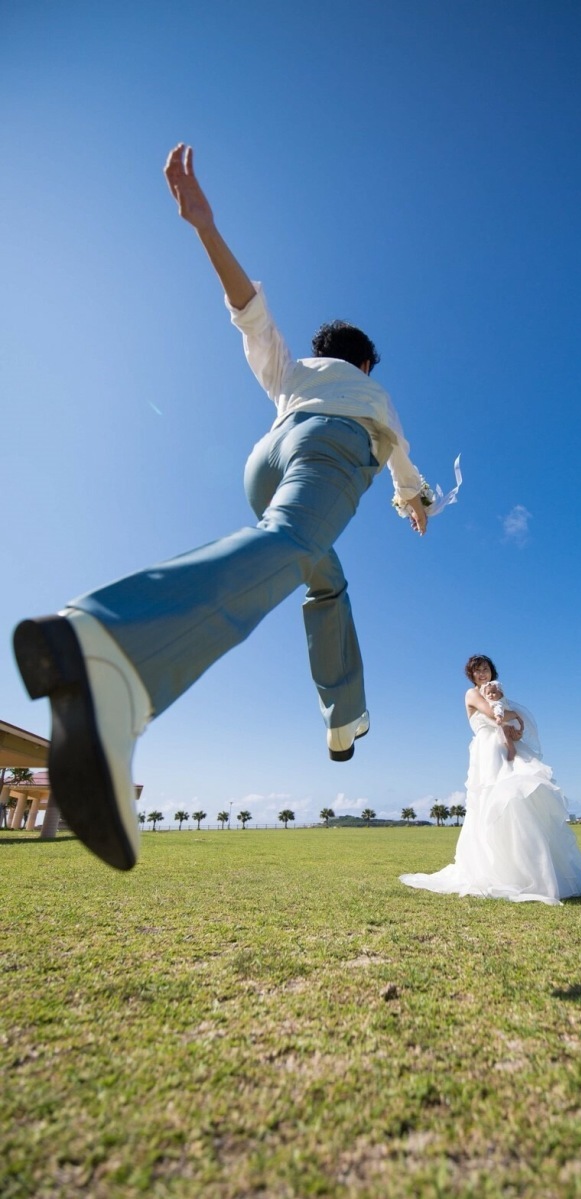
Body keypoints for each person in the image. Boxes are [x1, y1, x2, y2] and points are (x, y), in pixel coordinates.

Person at [12, 143, 428, 873]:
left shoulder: (296, 367)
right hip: (329, 454)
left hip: (267, 461)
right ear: (365, 363)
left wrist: (204, 225)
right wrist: (414, 500)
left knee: (321, 572)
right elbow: (403, 467)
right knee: (301, 544)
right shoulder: (374, 394)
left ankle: (343, 718)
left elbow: (251, 313)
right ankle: (111, 649)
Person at [400, 655, 581, 905]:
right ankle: (495, 870)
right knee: (493, 800)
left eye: (485, 669)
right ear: (471, 675)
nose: (482, 674)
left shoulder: (497, 693)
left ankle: (533, 872)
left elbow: (506, 721)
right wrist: (516, 716)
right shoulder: (472, 694)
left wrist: (515, 727)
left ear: (492, 671)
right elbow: (491, 713)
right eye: (477, 671)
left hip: (507, 746)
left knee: (522, 798)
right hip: (488, 750)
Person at [479, 678, 520, 761]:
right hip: (507, 722)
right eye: (488, 693)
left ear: (500, 694)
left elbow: (499, 710)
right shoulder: (491, 703)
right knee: (504, 736)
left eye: (493, 692)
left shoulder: (497, 703)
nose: (491, 695)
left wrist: (498, 717)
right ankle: (509, 747)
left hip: (507, 723)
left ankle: (512, 750)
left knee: (505, 733)